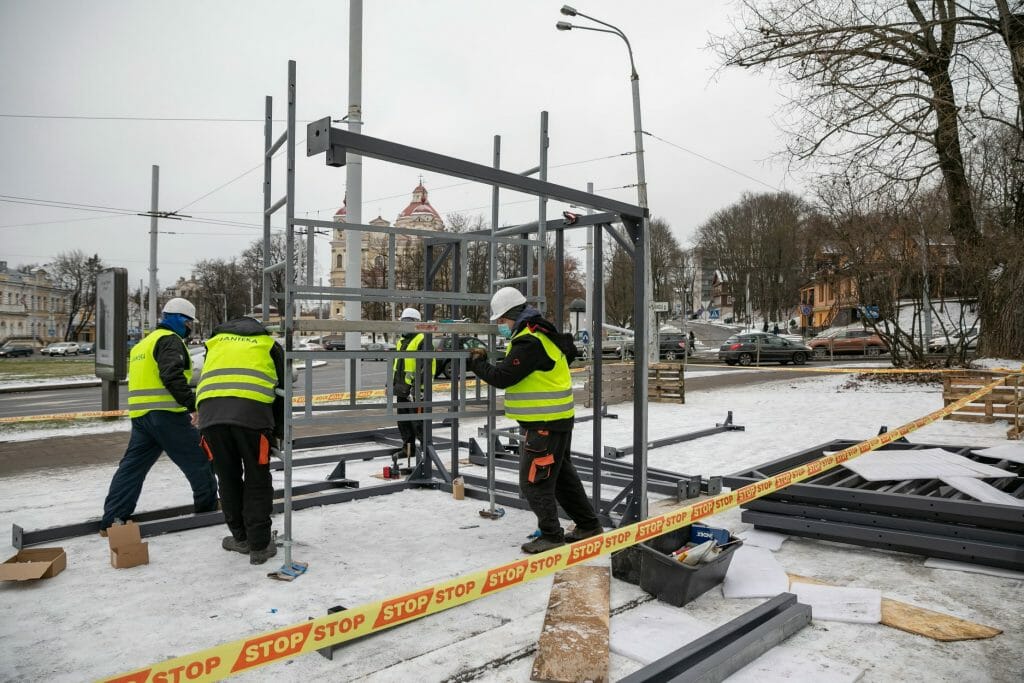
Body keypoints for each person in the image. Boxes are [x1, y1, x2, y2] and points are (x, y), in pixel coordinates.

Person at [468, 287, 602, 554]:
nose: (500, 326)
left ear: (513, 316)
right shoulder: (541, 334)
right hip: (557, 420)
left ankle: (551, 536)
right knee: (561, 477)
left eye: (502, 320)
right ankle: (588, 525)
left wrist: (477, 363)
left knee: (534, 482)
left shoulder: (529, 341)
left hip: (545, 424)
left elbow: (504, 377)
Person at [100, 298, 218, 533]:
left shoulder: (143, 344)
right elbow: (171, 375)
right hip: (167, 416)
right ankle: (207, 514)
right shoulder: (169, 341)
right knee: (200, 462)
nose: (189, 328)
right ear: (179, 319)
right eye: (188, 323)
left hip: (142, 417)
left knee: (132, 469)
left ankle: (113, 520)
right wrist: (192, 405)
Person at [196, 316, 285, 565]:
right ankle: (259, 545)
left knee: (227, 478)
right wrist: (279, 431)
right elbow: (282, 391)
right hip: (253, 418)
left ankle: (241, 538)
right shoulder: (268, 344)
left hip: (211, 420)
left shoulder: (215, 343)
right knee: (257, 479)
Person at [391, 307, 435, 464]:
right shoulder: (401, 341)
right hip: (402, 390)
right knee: (404, 423)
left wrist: (418, 388)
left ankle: (426, 452)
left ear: (417, 323)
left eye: (409, 322)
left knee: (419, 424)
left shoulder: (423, 339)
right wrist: (391, 384)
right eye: (404, 321)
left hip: (415, 392)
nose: (405, 325)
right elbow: (397, 365)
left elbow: (426, 367)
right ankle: (408, 450)